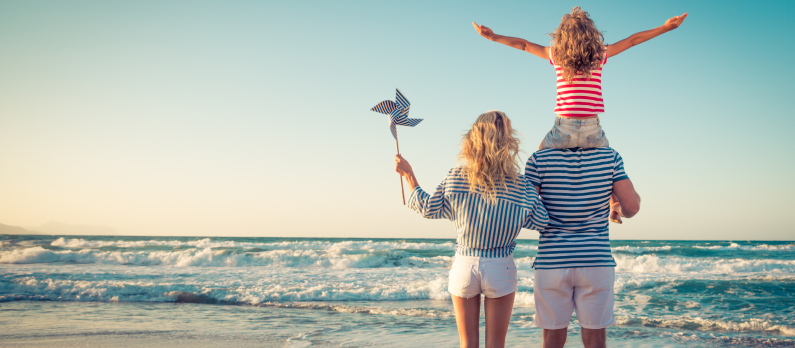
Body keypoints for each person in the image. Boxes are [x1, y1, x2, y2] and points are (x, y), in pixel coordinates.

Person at [473, 7, 685, 224]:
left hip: (563, 129)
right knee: (610, 170)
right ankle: (614, 205)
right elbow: (632, 40)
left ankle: (526, 208)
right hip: (593, 131)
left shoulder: (555, 54)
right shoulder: (599, 54)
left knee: (537, 161)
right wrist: (665, 28)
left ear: (562, 36)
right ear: (591, 35)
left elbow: (524, 44)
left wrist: (494, 37)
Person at [394, 110, 549, 348]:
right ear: (508, 141)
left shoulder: (456, 177)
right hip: (501, 267)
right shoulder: (522, 186)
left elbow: (428, 208)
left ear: (473, 139)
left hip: (465, 265)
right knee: (496, 344)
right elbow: (541, 222)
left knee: (468, 344)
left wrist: (409, 175)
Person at [524, 146, 641, 348]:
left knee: (552, 340)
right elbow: (631, 208)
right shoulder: (610, 157)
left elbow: (528, 214)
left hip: (553, 262)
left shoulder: (538, 159)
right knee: (595, 341)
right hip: (595, 261)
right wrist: (614, 206)